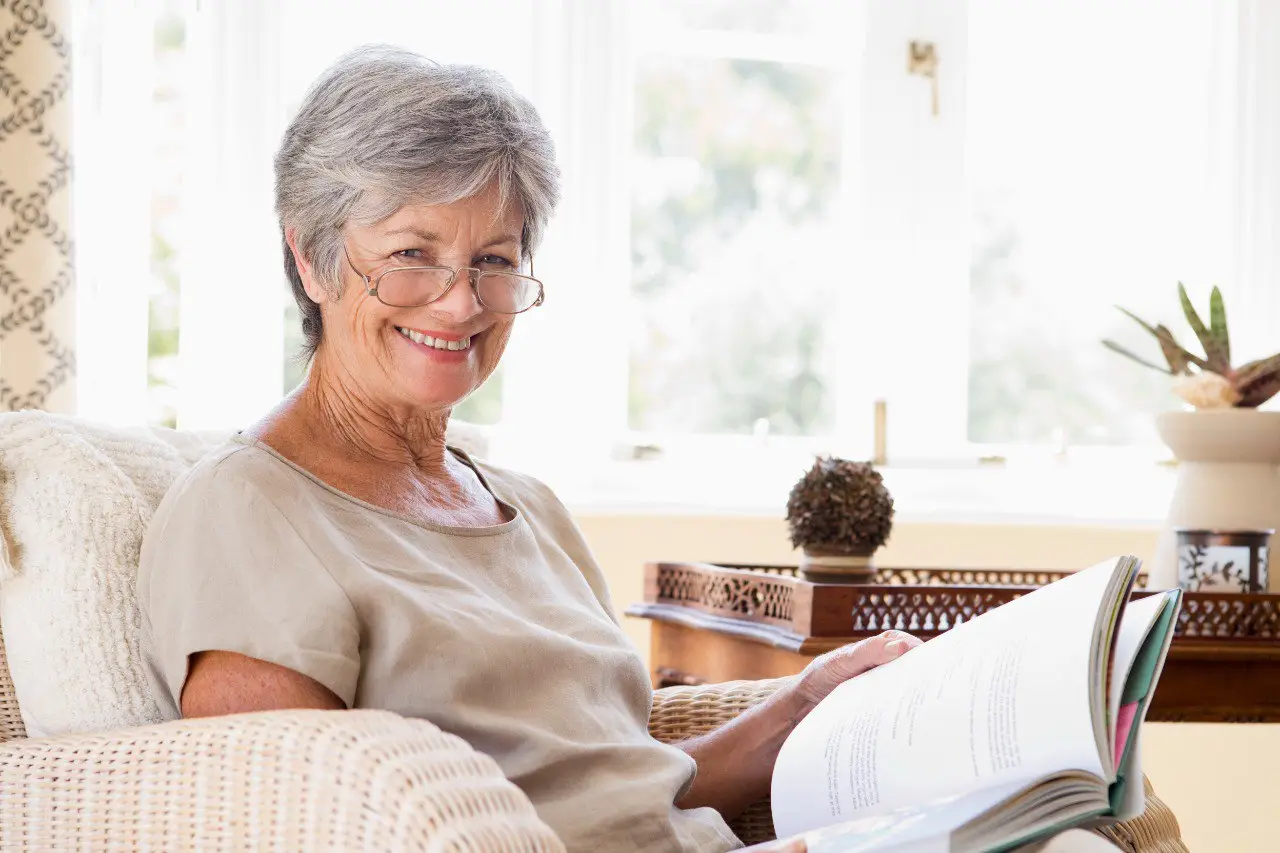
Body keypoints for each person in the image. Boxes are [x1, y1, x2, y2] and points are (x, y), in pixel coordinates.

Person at [137, 46, 1111, 853]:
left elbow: (630, 780)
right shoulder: (248, 509)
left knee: (1072, 828)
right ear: (309, 253)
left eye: (495, 260)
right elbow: (278, 814)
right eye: (410, 254)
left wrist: (806, 700)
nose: (459, 301)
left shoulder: (525, 506)